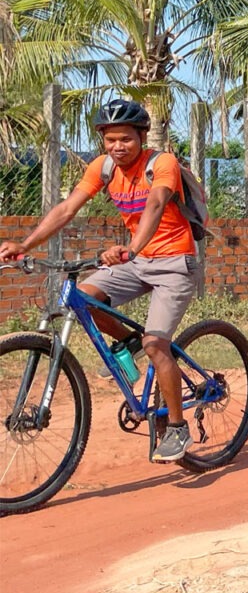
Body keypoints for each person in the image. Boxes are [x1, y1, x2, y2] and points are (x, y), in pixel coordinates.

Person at [0, 99, 201, 462]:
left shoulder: (162, 164)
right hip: (135, 261)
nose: (117, 147)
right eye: (110, 140)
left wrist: (132, 247)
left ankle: (176, 427)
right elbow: (67, 208)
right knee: (84, 297)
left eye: (125, 139)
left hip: (173, 261)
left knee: (157, 344)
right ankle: (127, 341)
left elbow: (155, 205)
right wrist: (25, 244)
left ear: (141, 136)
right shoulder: (104, 168)